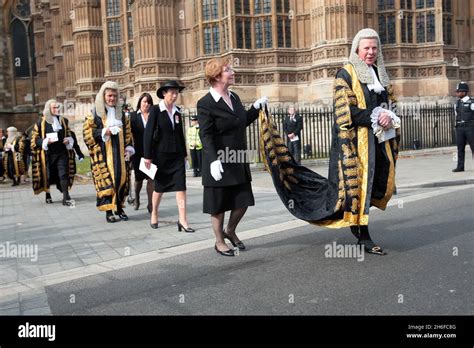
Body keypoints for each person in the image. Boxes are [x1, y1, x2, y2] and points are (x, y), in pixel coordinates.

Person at [259, 28, 400, 256]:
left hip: (377, 143)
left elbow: (391, 102)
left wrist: (389, 115)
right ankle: (363, 235)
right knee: (356, 190)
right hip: (354, 146)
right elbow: (345, 112)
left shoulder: (381, 74)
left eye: (375, 48)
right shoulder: (345, 74)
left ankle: (359, 227)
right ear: (357, 49)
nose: (371, 52)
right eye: (366, 48)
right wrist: (377, 115)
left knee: (372, 187)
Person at [197, 58, 268, 256]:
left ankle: (230, 230)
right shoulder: (205, 104)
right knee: (218, 205)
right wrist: (212, 160)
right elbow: (206, 134)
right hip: (218, 160)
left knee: (243, 200)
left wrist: (255, 108)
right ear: (217, 77)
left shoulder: (234, 97)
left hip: (237, 157)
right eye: (228, 70)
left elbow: (241, 121)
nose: (232, 72)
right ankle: (219, 241)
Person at [143, 80, 194, 232]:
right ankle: (154, 213)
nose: (174, 95)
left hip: (177, 155)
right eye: (171, 92)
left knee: (181, 187)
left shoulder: (177, 111)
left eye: (176, 92)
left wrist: (185, 154)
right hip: (161, 155)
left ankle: (183, 220)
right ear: (164, 93)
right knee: (159, 188)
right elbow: (148, 133)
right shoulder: (156, 110)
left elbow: (180, 134)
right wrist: (147, 156)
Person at [83, 81, 135, 222]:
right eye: (109, 96)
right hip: (103, 154)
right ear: (103, 96)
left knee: (121, 180)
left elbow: (128, 133)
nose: (112, 99)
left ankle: (119, 207)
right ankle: (108, 211)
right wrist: (103, 131)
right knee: (108, 182)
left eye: (114, 96)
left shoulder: (122, 115)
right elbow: (87, 133)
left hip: (120, 154)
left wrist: (129, 149)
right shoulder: (95, 114)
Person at [31, 100, 76, 205]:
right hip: (48, 154)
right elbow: (34, 139)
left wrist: (68, 139)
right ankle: (48, 194)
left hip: (62, 152)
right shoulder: (40, 123)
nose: (57, 110)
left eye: (58, 108)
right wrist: (45, 141)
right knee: (48, 175)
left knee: (64, 173)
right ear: (49, 109)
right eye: (54, 108)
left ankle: (65, 196)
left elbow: (69, 133)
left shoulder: (64, 121)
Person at [130, 92, 154, 212]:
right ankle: (137, 197)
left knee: (151, 179)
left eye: (149, 102)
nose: (146, 104)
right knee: (139, 179)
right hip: (138, 152)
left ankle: (150, 203)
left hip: (150, 152)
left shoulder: (154, 115)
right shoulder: (133, 116)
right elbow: (128, 134)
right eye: (144, 101)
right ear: (140, 102)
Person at [452, 82, 474, 172]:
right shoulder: (457, 103)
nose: (457, 93)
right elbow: (456, 115)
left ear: (464, 92)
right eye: (457, 91)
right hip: (460, 128)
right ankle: (460, 166)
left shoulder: (472, 102)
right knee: (460, 148)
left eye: (459, 91)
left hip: (470, 127)